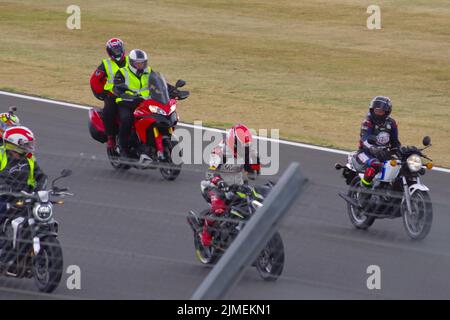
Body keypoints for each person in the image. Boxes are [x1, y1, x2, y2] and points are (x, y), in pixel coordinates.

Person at [198, 124, 261, 247]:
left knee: (253, 201)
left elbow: (253, 174)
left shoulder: (248, 152)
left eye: (247, 146)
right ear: (234, 142)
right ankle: (206, 234)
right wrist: (219, 182)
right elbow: (210, 173)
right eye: (243, 146)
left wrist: (254, 165)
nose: (245, 149)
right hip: (214, 186)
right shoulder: (219, 151)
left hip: (237, 186)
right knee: (219, 209)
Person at [0, 126, 47, 272]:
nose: (30, 147)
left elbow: (40, 176)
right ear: (14, 144)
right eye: (26, 144)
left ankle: (25, 249)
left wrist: (41, 189)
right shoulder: (1, 155)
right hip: (4, 197)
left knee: (43, 216)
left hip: (26, 197)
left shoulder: (29, 158)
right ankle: (4, 249)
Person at [90, 38, 128, 151]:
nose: (117, 52)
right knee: (109, 111)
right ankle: (111, 137)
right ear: (109, 52)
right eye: (114, 50)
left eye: (118, 49)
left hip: (132, 94)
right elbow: (94, 80)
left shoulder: (131, 61)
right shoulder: (106, 64)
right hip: (113, 95)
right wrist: (102, 94)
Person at [356, 96, 401, 189]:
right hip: (365, 153)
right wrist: (372, 148)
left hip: (384, 153)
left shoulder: (391, 123)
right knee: (375, 164)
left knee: (400, 165)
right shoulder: (367, 122)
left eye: (381, 111)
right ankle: (363, 188)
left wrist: (399, 151)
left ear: (387, 112)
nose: (378, 113)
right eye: (376, 110)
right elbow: (364, 138)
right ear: (372, 110)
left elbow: (395, 141)